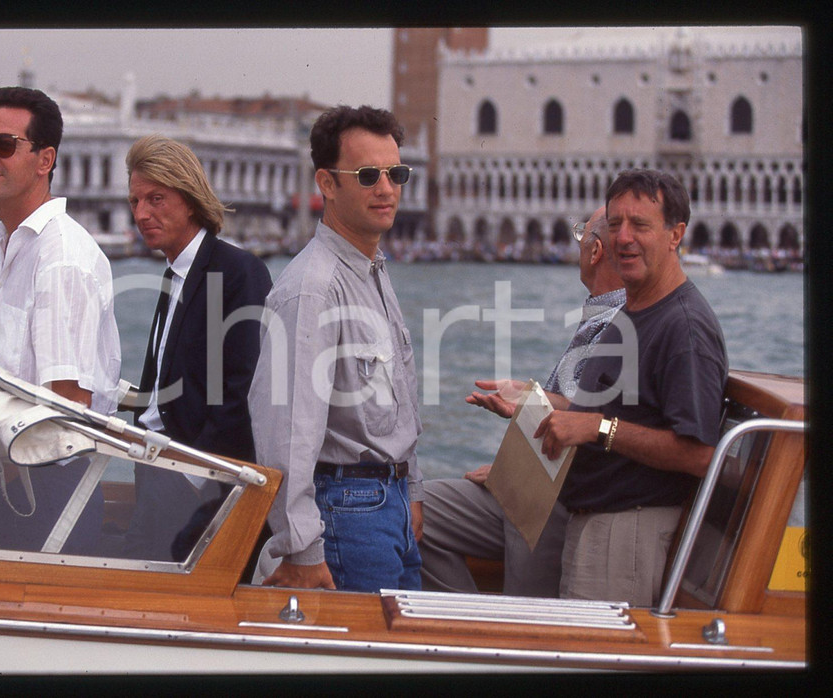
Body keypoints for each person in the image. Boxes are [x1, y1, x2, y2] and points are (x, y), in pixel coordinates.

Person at [0, 86, 121, 554]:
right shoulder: (15, 243)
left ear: (44, 159)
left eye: (4, 145)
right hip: (15, 486)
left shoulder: (61, 259)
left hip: (50, 500)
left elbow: (66, 411)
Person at [249, 105, 423, 592]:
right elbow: (286, 429)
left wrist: (412, 490)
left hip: (390, 506)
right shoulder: (312, 289)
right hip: (346, 513)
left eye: (396, 173)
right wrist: (302, 546)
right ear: (327, 184)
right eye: (368, 176)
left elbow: (399, 395)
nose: (387, 189)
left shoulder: (372, 270)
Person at [535, 168, 728, 606]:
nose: (623, 238)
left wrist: (598, 428)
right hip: (596, 524)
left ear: (675, 234)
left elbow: (700, 455)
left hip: (626, 535)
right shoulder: (637, 309)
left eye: (640, 225)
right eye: (615, 223)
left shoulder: (685, 330)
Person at [418, 206, 626, 595]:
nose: (578, 245)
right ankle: (470, 629)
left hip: (553, 500)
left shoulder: (616, 322)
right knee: (415, 511)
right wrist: (506, 473)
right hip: (532, 482)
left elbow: (582, 424)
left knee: (526, 612)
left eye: (582, 235)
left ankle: (484, 637)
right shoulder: (606, 315)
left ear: (595, 252)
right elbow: (575, 405)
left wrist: (510, 477)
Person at [122, 135, 272, 561]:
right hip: (153, 466)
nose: (142, 213)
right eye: (135, 202)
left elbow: (245, 389)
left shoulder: (240, 271)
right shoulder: (175, 274)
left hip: (191, 480)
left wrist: (193, 475)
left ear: (189, 200)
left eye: (156, 198)